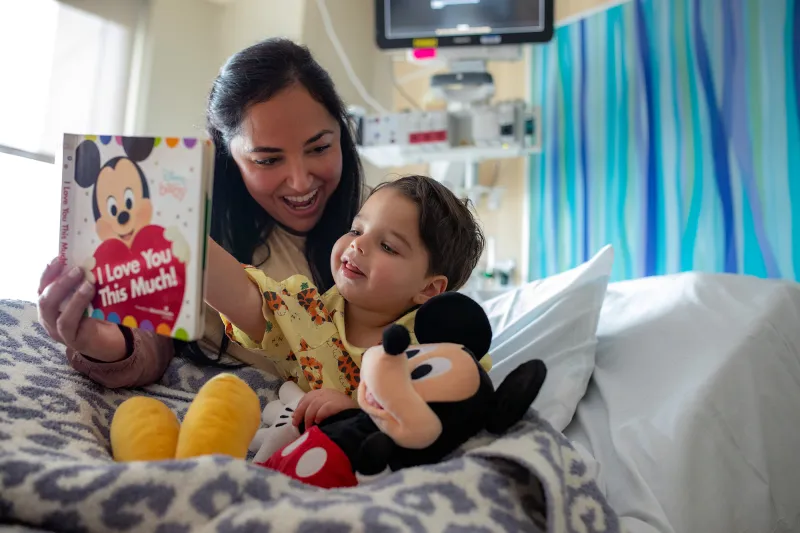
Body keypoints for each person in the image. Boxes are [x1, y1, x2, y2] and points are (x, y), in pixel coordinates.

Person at [36, 38, 364, 392]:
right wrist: (104, 344)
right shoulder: (189, 234)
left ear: (342, 134)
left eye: (319, 147)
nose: (300, 181)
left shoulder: (379, 224)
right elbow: (148, 343)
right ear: (226, 154)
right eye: (268, 160)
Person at [207, 175, 488, 429]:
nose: (358, 244)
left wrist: (358, 414)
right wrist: (180, 237)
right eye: (356, 230)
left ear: (428, 289)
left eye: (387, 246)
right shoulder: (306, 314)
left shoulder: (435, 350)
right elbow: (241, 294)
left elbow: (451, 422)